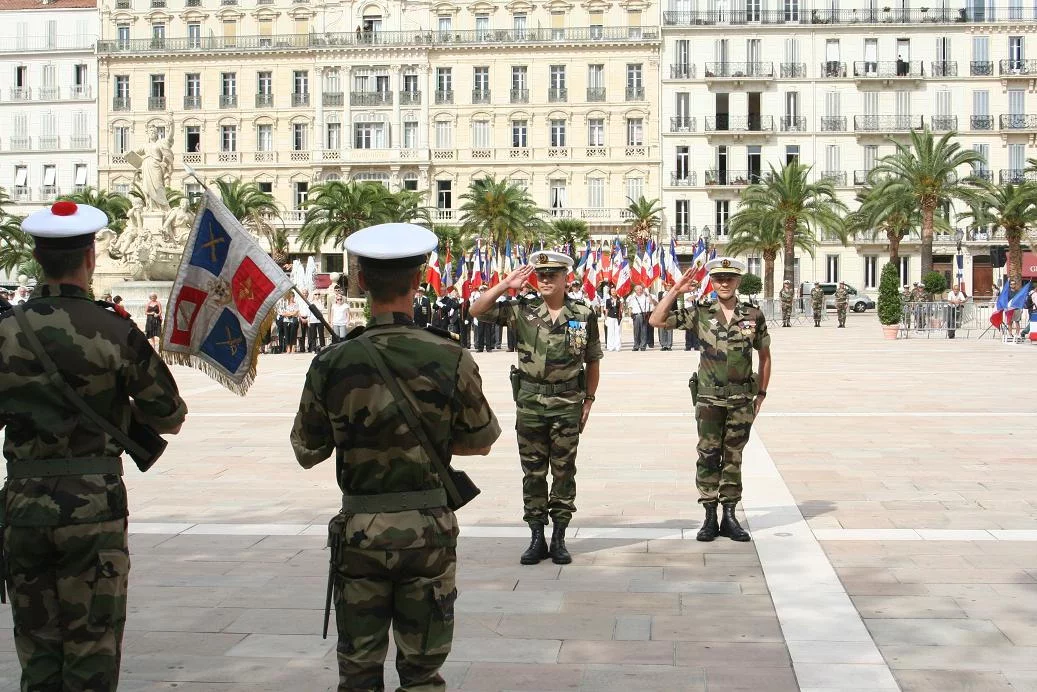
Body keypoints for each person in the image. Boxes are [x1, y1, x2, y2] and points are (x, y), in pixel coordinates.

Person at [291, 222, 501, 692]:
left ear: (361, 281)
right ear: (420, 279)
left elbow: (308, 449)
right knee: (423, 674)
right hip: (427, 532)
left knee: (359, 673)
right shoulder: (450, 355)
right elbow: (481, 439)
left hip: (362, 534)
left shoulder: (332, 361)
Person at [0, 200, 187, 691]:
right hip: (92, 507)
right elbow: (170, 415)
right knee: (93, 649)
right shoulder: (114, 329)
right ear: (91, 257)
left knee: (37, 649)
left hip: (23, 508)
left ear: (38, 259)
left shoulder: (5, 332)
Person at [470, 251, 602, 565]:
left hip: (567, 403)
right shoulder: (522, 310)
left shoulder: (582, 314)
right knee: (533, 473)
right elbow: (477, 310)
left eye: (551, 274)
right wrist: (506, 284)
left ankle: (558, 536)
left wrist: (589, 400)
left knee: (563, 471)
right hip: (530, 404)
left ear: (565, 277)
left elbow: (592, 359)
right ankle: (535, 536)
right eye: (540, 275)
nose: (544, 280)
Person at [649, 257, 771, 544]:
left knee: (734, 457)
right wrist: (675, 291)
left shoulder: (753, 315)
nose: (724, 283)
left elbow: (764, 356)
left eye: (729, 278)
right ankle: (708, 515)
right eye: (718, 279)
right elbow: (656, 320)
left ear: (738, 280)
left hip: (741, 400)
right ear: (712, 282)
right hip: (708, 400)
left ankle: (729, 515)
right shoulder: (701, 312)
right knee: (707, 455)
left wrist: (761, 393)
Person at [626, 284, 654, 351]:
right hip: (635, 315)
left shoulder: (645, 296)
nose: (640, 291)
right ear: (635, 290)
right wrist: (630, 316)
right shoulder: (632, 297)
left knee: (644, 331)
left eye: (641, 289)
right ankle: (636, 346)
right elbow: (630, 306)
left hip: (643, 315)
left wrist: (648, 293)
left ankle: (643, 346)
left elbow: (651, 302)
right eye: (638, 289)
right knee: (636, 332)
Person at [604, 286, 623, 352]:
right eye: (612, 291)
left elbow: (621, 309)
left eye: (614, 291)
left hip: (618, 317)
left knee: (618, 332)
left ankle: (617, 346)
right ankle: (610, 346)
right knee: (610, 332)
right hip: (610, 317)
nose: (613, 292)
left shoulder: (619, 299)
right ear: (610, 292)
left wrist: (622, 302)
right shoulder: (608, 300)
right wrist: (606, 318)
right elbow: (606, 310)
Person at [657, 284, 674, 350]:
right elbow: (659, 302)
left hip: (670, 313)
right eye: (667, 286)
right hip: (661, 313)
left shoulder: (674, 293)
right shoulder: (660, 293)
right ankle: (663, 345)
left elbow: (674, 305)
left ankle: (669, 345)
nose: (668, 287)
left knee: (669, 329)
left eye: (670, 286)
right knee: (661, 329)